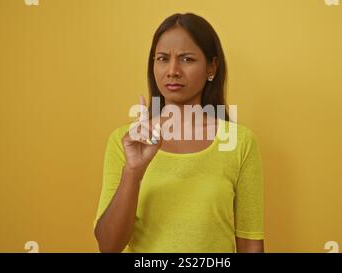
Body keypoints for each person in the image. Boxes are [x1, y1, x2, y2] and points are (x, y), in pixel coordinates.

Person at [94, 13, 264, 253]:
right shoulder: (126, 141)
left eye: (186, 59)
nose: (172, 70)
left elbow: (251, 244)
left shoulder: (239, 141)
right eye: (163, 59)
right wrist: (133, 171)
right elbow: (108, 246)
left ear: (211, 67)